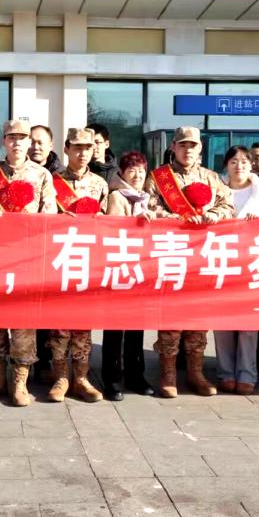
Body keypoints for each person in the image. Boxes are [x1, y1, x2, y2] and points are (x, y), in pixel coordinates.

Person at [144, 125, 235, 398]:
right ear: (173, 147)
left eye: (192, 145)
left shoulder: (211, 177)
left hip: (202, 257)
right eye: (182, 144)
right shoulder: (159, 177)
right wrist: (174, 217)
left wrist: (216, 214)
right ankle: (168, 374)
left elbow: (229, 206)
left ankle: (196, 373)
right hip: (171, 255)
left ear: (200, 148)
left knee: (198, 316)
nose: (187, 150)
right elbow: (149, 207)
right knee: (170, 317)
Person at [0, 118, 58, 406]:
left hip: (27, 257)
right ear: (4, 141)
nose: (16, 143)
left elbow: (50, 215)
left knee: (24, 321)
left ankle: (20, 382)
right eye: (11, 137)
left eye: (22, 138)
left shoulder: (42, 175)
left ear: (29, 143)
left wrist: (22, 221)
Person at [47, 128, 108, 404]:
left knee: (83, 323)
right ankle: (61, 377)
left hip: (87, 260)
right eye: (77, 148)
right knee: (59, 324)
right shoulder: (52, 181)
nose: (83, 153)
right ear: (67, 149)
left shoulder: (100, 184)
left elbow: (108, 223)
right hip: (59, 259)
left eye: (88, 148)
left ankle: (81, 378)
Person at [215, 145, 259, 395]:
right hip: (221, 261)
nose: (239, 166)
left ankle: (247, 374)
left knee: (248, 325)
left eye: (243, 161)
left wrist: (258, 223)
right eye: (233, 161)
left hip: (252, 263)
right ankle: (225, 372)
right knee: (222, 322)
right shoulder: (216, 188)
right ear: (226, 165)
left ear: (251, 165)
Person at [103, 151, 156, 400]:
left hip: (141, 270)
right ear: (122, 173)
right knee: (115, 327)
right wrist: (136, 221)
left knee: (137, 327)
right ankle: (112, 378)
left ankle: (136, 374)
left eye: (142, 171)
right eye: (132, 170)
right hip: (120, 268)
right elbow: (114, 230)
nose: (137, 175)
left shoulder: (145, 197)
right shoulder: (117, 196)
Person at [28, 124, 59, 382]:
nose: (35, 146)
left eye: (41, 142)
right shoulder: (5, 173)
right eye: (31, 141)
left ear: (51, 145)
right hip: (21, 253)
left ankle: (46, 362)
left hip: (54, 252)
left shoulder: (60, 175)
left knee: (48, 311)